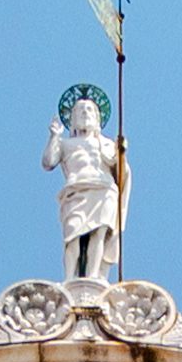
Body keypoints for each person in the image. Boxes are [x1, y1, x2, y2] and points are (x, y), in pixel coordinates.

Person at [45, 89, 126, 286]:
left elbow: (120, 171)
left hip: (104, 189)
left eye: (89, 110)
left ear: (97, 117)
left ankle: (93, 277)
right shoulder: (66, 144)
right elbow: (48, 162)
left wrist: (121, 152)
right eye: (79, 110)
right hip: (75, 190)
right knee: (72, 233)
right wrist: (54, 136)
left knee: (98, 234)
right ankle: (70, 279)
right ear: (72, 118)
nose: (84, 113)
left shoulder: (106, 143)